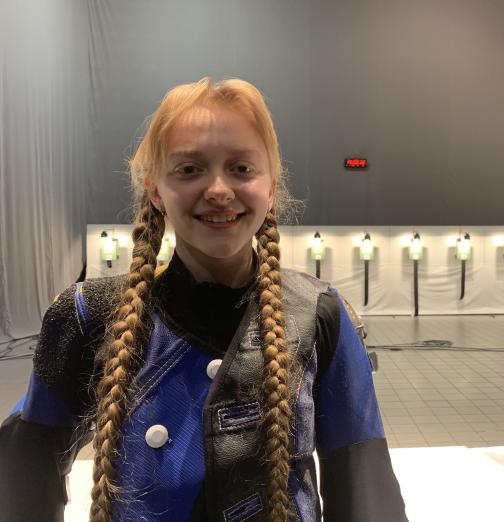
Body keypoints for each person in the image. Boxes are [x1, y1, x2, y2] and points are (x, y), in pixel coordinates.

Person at [0, 78, 407, 522]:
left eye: (241, 169)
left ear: (270, 188)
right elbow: (27, 475)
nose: (218, 189)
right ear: (155, 190)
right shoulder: (87, 314)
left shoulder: (319, 314)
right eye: (190, 169)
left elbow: (364, 488)